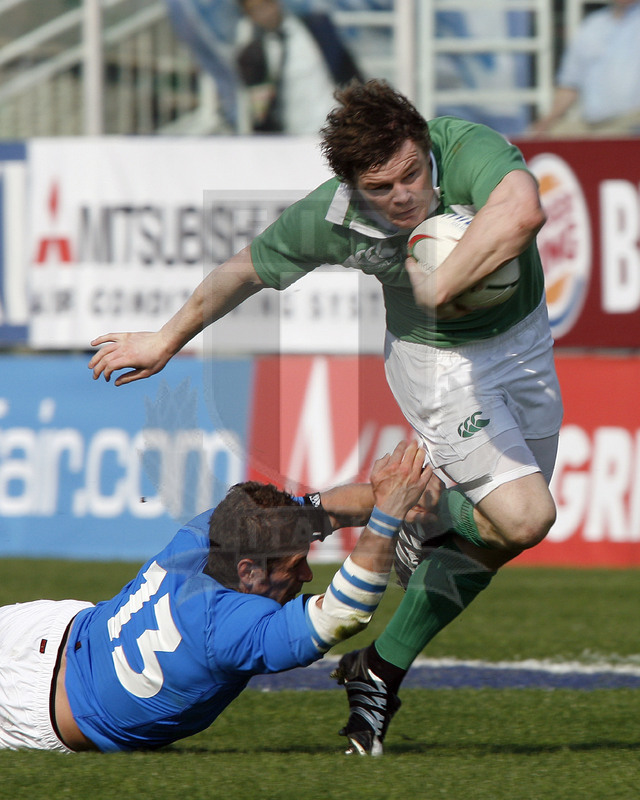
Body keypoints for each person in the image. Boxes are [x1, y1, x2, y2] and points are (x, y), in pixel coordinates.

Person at [88, 79, 563, 755]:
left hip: (526, 344)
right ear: (352, 187)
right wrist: (166, 339)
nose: (404, 196)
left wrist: (439, 280)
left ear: (424, 143)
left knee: (496, 535)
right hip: (439, 366)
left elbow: (522, 210)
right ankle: (406, 515)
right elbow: (242, 270)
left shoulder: (464, 148)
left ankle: (379, 668)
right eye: (381, 188)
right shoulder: (332, 217)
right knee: (526, 515)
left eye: (412, 173)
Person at [0, 440, 430, 752]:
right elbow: (342, 613)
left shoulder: (210, 531)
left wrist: (396, 492)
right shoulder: (227, 630)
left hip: (47, 626)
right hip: (31, 706)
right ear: (248, 572)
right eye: (295, 565)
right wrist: (387, 515)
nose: (305, 574)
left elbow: (327, 510)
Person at [235, 0, 362, 134]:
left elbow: (348, 70)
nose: (264, 13)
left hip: (335, 123)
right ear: (248, 15)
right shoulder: (254, 53)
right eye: (255, 10)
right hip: (292, 134)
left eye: (266, 5)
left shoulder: (317, 27)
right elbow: (260, 109)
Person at [530, 0, 640, 137]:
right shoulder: (592, 24)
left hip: (631, 122)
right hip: (591, 124)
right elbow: (570, 84)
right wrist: (545, 123)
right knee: (551, 136)